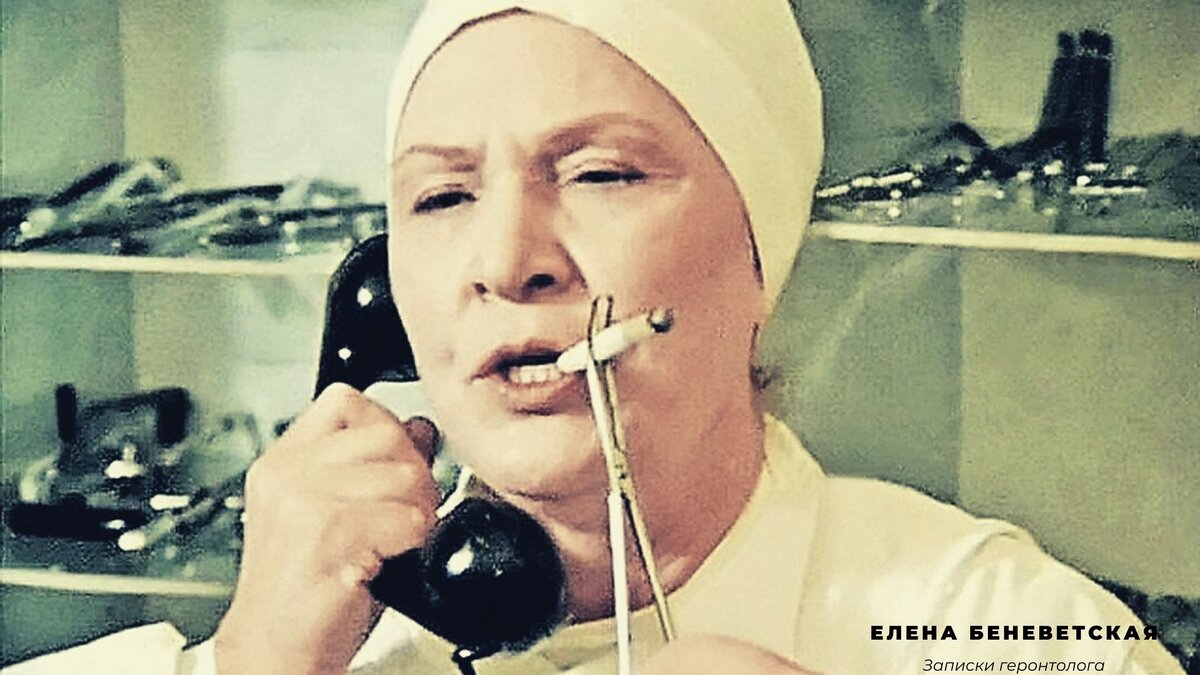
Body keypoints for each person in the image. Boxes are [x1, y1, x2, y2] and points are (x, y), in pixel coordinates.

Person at [5, 2, 1185, 674]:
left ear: (761, 254)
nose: (505, 258)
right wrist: (251, 663)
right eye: (441, 196)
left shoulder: (1003, 632)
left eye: (603, 173)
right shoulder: (274, 646)